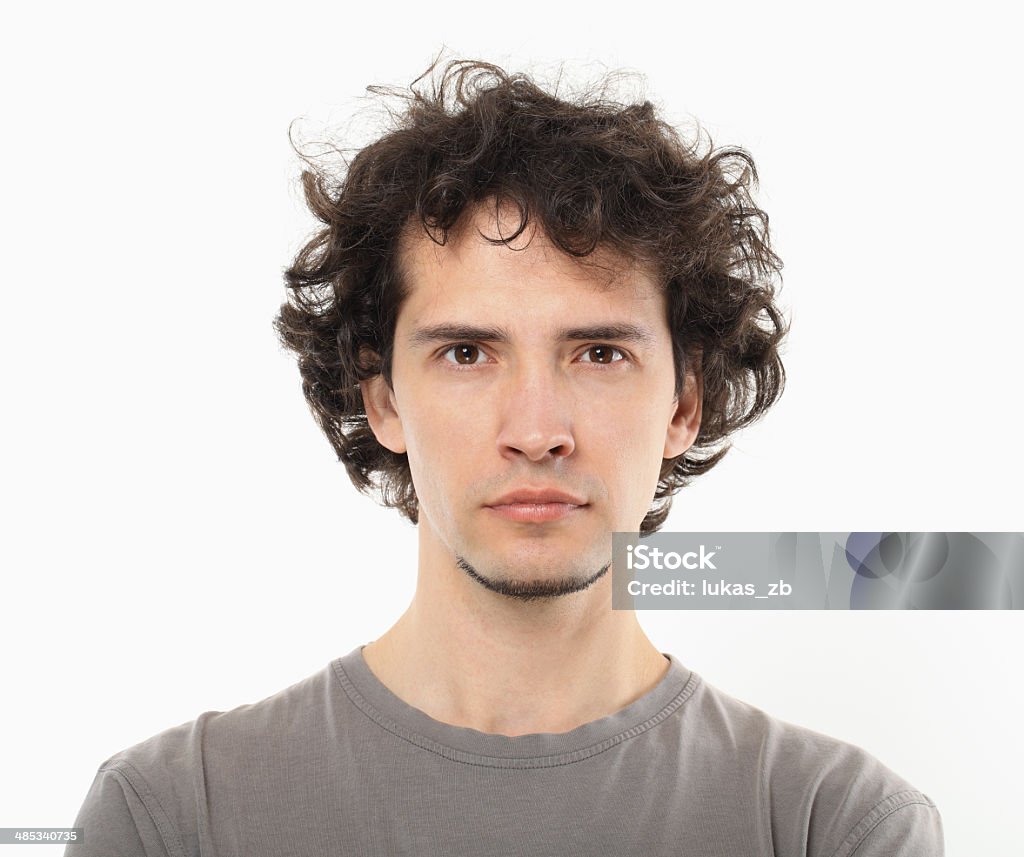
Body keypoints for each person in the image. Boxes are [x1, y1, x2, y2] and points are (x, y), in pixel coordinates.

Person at [67, 60, 944, 856]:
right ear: (382, 399)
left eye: (599, 353)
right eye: (467, 353)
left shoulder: (838, 827)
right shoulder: (175, 818)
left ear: (685, 403)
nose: (536, 429)